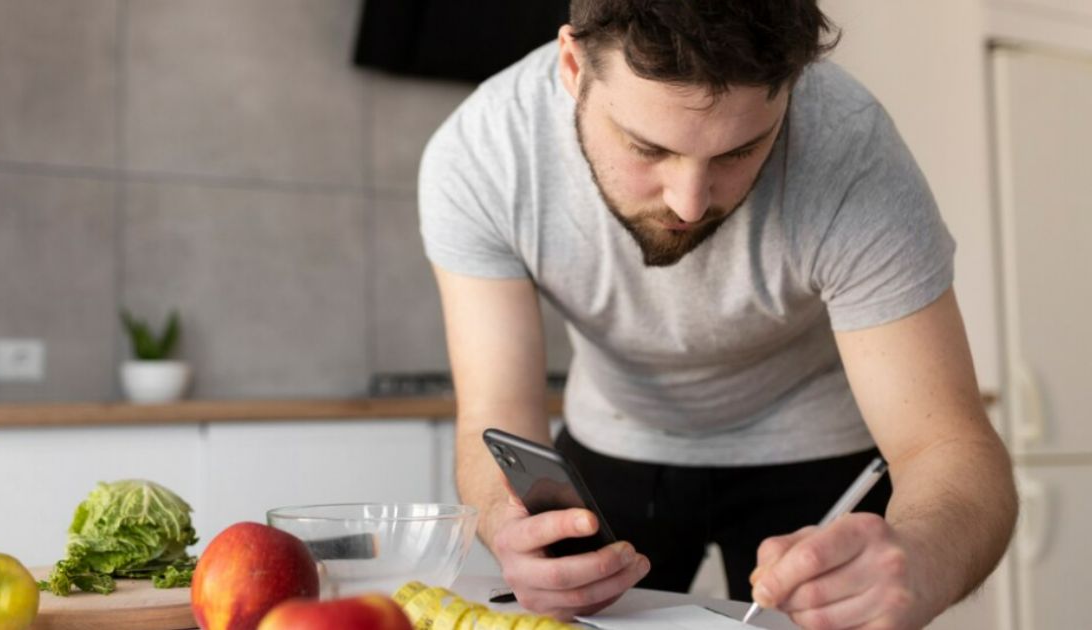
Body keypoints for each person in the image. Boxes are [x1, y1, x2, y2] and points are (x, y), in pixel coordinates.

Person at [417, 1, 1017, 627]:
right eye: (647, 148)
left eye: (741, 151)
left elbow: (946, 445)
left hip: (818, 455)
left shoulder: (853, 155)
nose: (690, 202)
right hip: (615, 442)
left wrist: (921, 559)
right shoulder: (484, 154)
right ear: (573, 66)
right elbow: (493, 418)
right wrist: (506, 524)